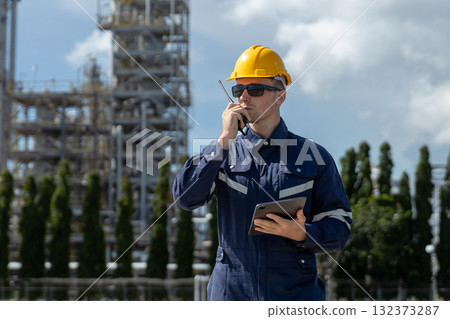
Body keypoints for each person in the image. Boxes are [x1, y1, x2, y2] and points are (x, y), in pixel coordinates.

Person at [172, 45, 352, 301]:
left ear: (280, 96)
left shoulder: (315, 157)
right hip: (231, 297)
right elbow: (185, 199)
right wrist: (223, 141)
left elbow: (340, 228)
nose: (244, 97)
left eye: (255, 90)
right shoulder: (222, 154)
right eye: (238, 90)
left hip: (294, 297)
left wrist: (302, 233)